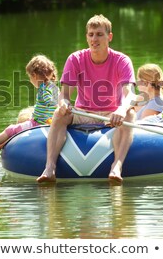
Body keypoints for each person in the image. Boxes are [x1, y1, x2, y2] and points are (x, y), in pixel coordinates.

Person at [36, 14, 136, 184]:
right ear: (86, 37)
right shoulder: (75, 59)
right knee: (59, 114)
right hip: (82, 112)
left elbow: (130, 94)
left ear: (109, 37)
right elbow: (64, 95)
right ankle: (50, 167)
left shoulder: (122, 60)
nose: (94, 39)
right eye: (90, 34)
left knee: (130, 113)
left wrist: (121, 109)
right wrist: (63, 104)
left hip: (111, 115)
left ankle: (117, 166)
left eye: (99, 34)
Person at [0, 55, 59, 160]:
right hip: (46, 122)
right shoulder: (54, 87)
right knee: (14, 131)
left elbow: (51, 101)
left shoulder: (43, 89)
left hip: (38, 124)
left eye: (29, 77)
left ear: (34, 75)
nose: (30, 81)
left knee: (10, 130)